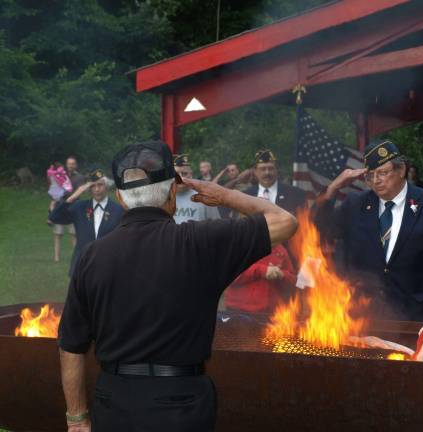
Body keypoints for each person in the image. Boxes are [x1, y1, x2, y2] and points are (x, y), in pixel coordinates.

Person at [57, 140, 297, 431]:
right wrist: (223, 195)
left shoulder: (91, 256)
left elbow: (71, 344)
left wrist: (77, 418)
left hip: (114, 404)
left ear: (120, 199)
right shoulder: (202, 242)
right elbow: (285, 222)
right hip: (181, 405)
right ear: (172, 193)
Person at [315, 140, 423, 323]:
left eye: (382, 173)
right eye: (370, 176)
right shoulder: (355, 205)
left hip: (417, 317)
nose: (376, 181)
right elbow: (318, 228)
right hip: (365, 318)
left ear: (401, 170)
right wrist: (333, 188)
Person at [49, 169, 123, 276]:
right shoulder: (79, 207)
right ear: (88, 188)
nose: (97, 189)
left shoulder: (118, 210)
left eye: (100, 185)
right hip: (82, 266)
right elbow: (54, 217)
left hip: (108, 267)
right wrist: (74, 196)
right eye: (93, 186)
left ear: (106, 186)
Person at [225, 243, 296, 313]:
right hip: (239, 312)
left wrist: (281, 274)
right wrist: (262, 271)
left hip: (271, 315)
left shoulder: (280, 250)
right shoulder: (242, 244)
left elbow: (293, 281)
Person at [243, 149, 307, 215]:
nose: (267, 173)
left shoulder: (296, 194)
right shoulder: (246, 196)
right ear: (255, 172)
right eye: (262, 169)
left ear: (277, 170)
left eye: (270, 168)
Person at [172, 154, 221, 223]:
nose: (181, 178)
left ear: (191, 175)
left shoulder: (205, 196)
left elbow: (217, 225)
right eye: (176, 174)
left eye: (184, 174)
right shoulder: (163, 198)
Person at [47, 162, 74, 262]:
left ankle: (75, 256)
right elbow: (53, 193)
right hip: (59, 210)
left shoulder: (66, 178)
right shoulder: (54, 178)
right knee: (58, 235)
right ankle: (56, 257)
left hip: (69, 209)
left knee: (73, 235)